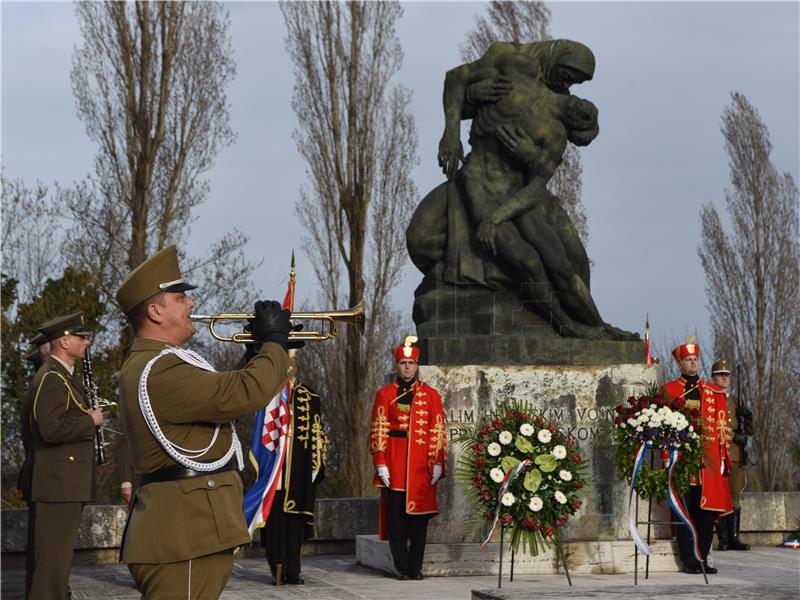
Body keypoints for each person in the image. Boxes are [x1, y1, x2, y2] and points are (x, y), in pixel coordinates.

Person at [115, 244, 297, 599]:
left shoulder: (160, 363)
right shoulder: (160, 368)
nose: (191, 304)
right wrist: (273, 343)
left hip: (190, 527)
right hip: (184, 532)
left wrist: (258, 354)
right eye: (180, 298)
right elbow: (244, 394)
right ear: (155, 311)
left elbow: (220, 400)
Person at [25, 313, 103, 600]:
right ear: (64, 340)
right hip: (58, 483)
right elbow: (51, 429)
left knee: (53, 563)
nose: (87, 342)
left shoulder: (60, 376)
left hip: (63, 482)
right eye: (81, 337)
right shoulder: (53, 378)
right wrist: (90, 420)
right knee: (52, 566)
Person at [369, 336, 447, 580]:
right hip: (395, 460)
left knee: (419, 522)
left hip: (421, 466)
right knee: (397, 522)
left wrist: (438, 462)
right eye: (402, 362)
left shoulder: (431, 395)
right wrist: (380, 462)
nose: (406, 367)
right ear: (397, 365)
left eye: (410, 363)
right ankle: (402, 567)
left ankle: (416, 567)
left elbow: (439, 429)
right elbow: (378, 428)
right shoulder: (385, 394)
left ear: (416, 365)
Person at [660, 341, 733, 574]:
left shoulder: (712, 391)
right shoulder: (669, 390)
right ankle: (689, 561)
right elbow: (661, 427)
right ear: (680, 363)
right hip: (682, 460)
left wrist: (723, 456)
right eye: (688, 360)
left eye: (695, 360)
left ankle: (702, 557)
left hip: (708, 463)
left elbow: (722, 425)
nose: (692, 363)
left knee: (707, 514)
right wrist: (665, 457)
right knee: (685, 511)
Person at [260, 374, 327, 585]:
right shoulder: (266, 394)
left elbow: (317, 431)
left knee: (295, 524)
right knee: (275, 525)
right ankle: (277, 568)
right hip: (275, 471)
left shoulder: (309, 396)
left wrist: (317, 464)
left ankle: (293, 570)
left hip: (299, 470)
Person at [18, 331, 50, 599]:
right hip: (45, 474)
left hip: (38, 472)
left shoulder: (36, 383)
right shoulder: (44, 384)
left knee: (40, 546)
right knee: (45, 548)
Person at [712, 360, 753, 551]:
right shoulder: (711, 399)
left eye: (727, 375)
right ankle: (724, 539)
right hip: (719, 453)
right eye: (720, 374)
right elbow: (712, 426)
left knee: (735, 496)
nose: (724, 378)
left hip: (736, 454)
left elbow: (751, 431)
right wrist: (733, 435)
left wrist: (748, 417)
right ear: (713, 377)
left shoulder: (736, 400)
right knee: (721, 496)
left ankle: (734, 538)